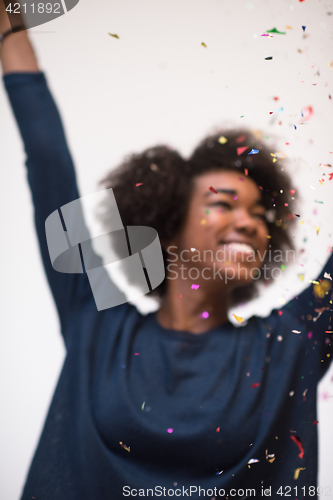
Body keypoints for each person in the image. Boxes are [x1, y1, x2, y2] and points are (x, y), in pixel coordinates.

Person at [1, 8, 333, 500]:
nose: (250, 222)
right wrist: (9, 21)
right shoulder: (96, 320)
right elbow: (47, 158)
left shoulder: (288, 346)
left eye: (262, 214)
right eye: (223, 204)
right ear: (169, 228)